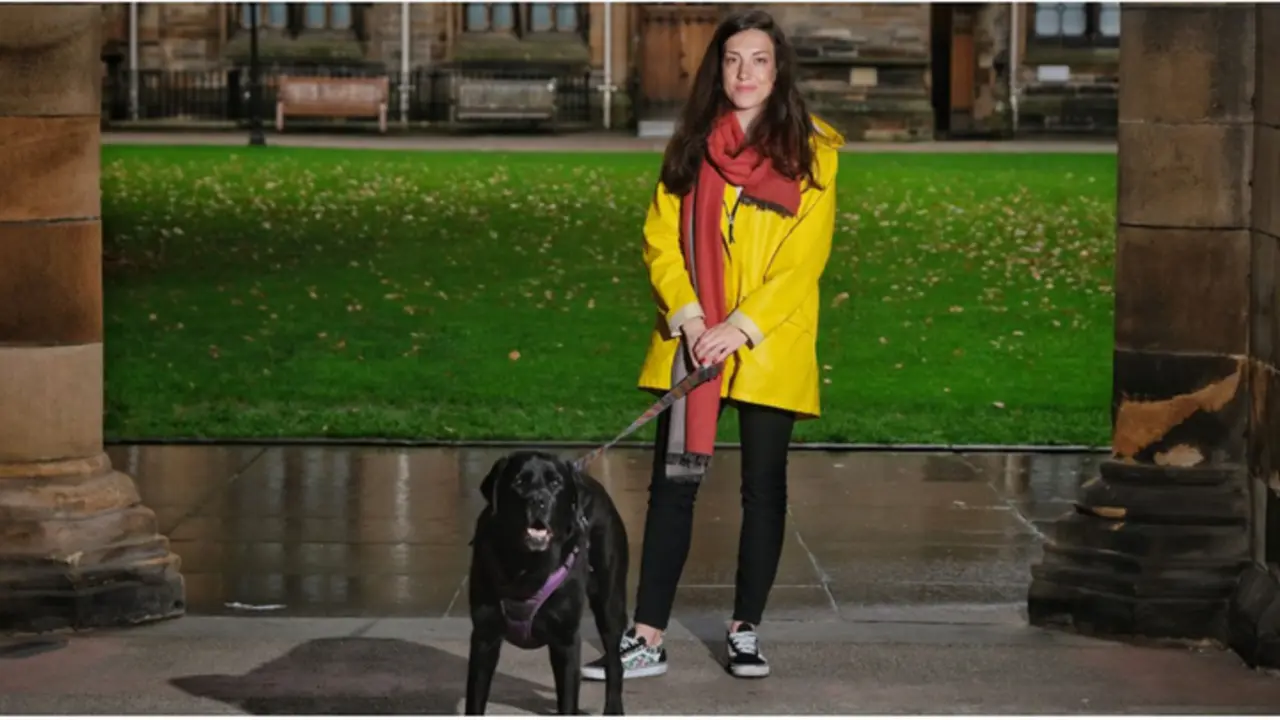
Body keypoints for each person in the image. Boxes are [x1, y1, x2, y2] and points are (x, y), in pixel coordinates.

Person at [582, 9, 843, 681]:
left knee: (765, 489)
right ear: (717, 70)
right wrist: (695, 320)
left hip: (769, 343)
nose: (745, 72)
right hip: (694, 343)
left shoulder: (813, 151)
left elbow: (802, 262)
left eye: (759, 59)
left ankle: (746, 630)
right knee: (673, 487)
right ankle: (646, 636)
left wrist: (742, 327)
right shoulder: (694, 146)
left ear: (778, 70)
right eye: (732, 59)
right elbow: (659, 238)